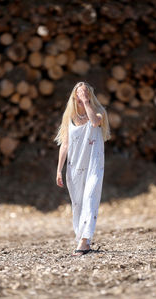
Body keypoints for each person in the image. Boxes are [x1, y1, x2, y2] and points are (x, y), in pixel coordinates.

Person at [54, 81, 111, 256]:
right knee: (78, 204)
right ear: (73, 97)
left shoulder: (99, 114)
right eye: (79, 94)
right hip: (74, 169)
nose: (82, 97)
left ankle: (85, 241)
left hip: (94, 166)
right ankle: (82, 237)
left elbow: (93, 122)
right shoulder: (69, 119)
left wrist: (87, 102)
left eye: (85, 94)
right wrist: (59, 170)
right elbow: (64, 145)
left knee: (90, 198)